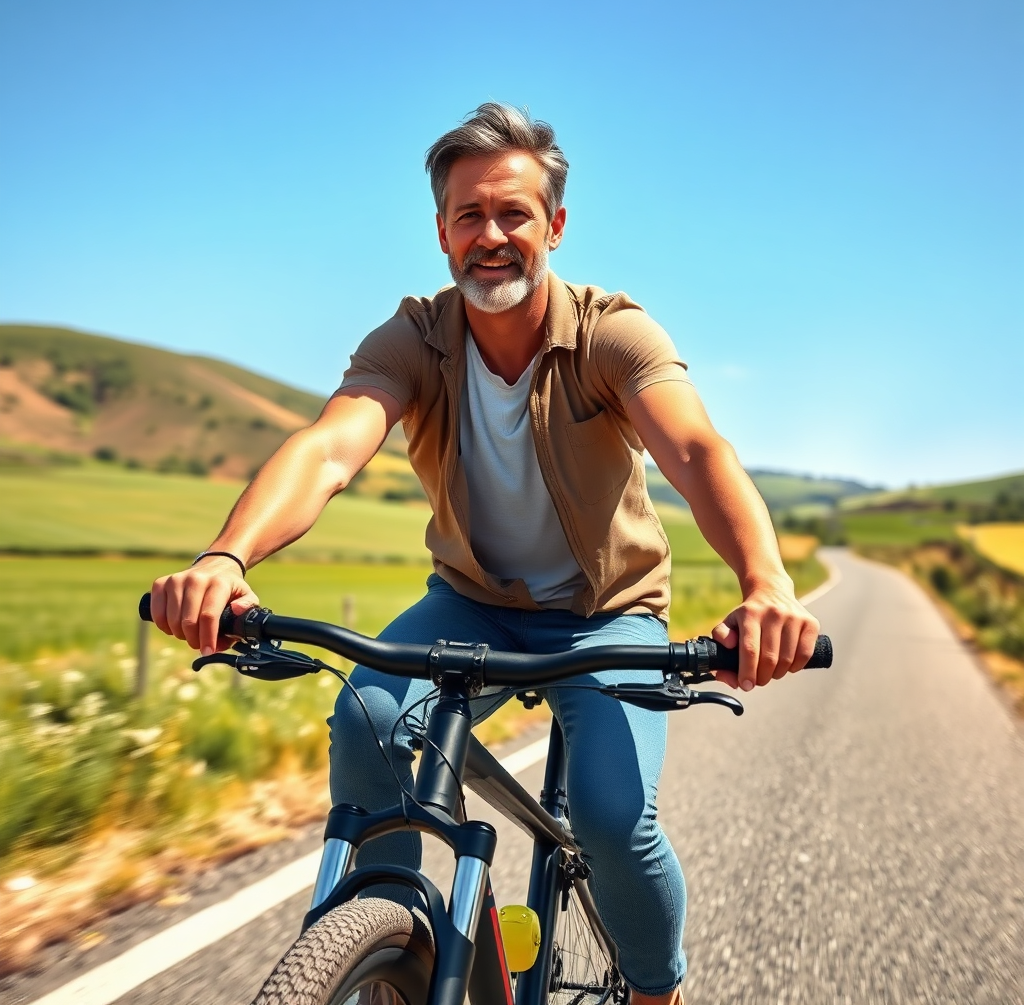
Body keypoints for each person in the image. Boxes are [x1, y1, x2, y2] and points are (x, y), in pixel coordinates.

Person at [150, 103, 820, 1004]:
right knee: (370, 722)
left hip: (605, 618)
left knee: (616, 822)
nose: (492, 235)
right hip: (469, 601)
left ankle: (658, 991)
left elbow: (698, 453)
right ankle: (384, 943)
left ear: (555, 224)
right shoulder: (414, 340)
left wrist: (766, 585)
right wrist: (227, 558)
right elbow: (328, 449)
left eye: (514, 213)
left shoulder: (612, 334)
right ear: (441, 232)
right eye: (470, 215)